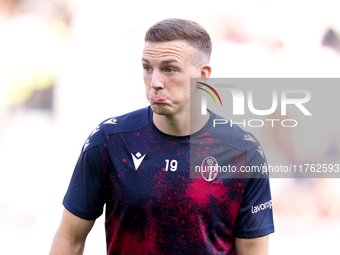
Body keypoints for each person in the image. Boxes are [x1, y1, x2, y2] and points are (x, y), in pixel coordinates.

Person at [49, 18, 274, 255]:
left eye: (169, 69)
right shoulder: (109, 140)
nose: (154, 82)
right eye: (147, 67)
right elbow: (70, 239)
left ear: (203, 75)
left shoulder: (243, 152)